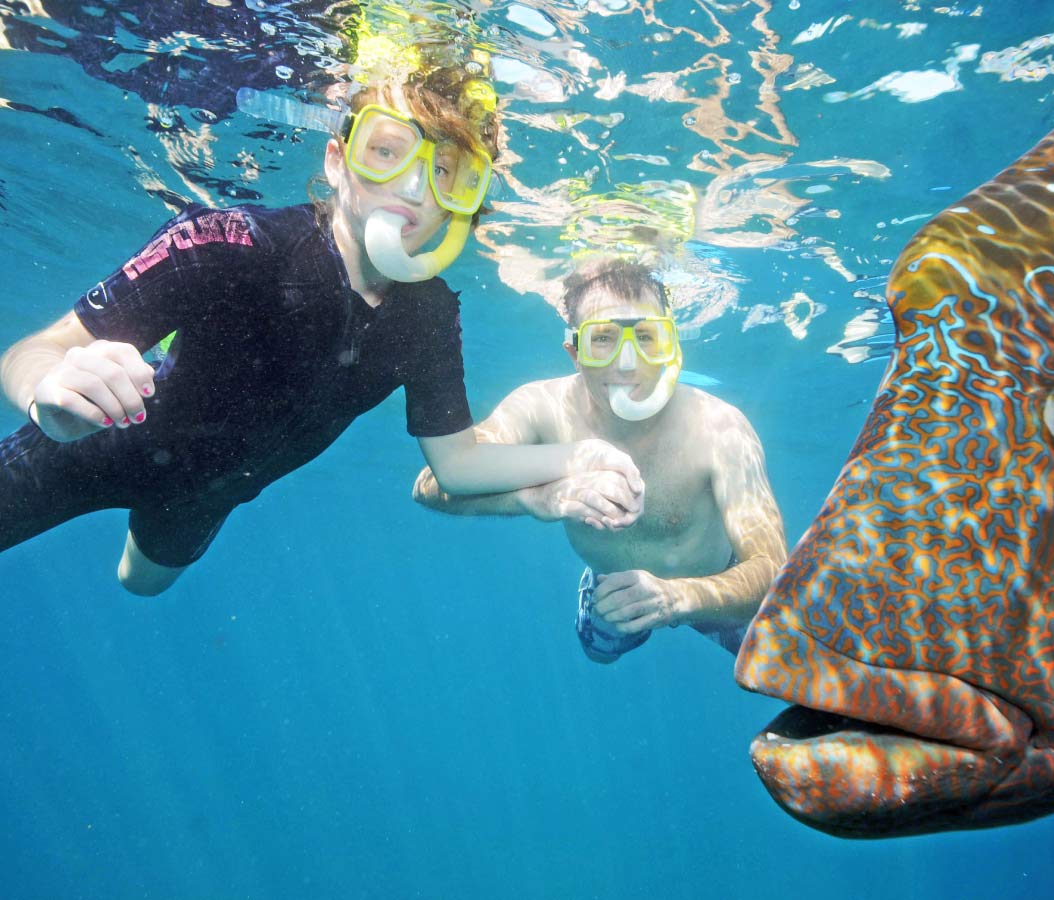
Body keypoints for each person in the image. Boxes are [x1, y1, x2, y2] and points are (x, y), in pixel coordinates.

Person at [0, 56, 641, 596]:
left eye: (444, 170)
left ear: (464, 197)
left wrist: (575, 461)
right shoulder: (228, 243)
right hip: (89, 447)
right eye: (386, 152)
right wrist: (49, 391)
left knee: (140, 584)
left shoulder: (428, 315)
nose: (414, 188)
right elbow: (38, 350)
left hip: (206, 496)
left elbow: (458, 462)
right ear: (337, 161)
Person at [413, 257, 786, 662]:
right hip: (613, 591)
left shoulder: (720, 429)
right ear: (575, 353)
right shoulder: (540, 408)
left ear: (670, 346)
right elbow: (430, 484)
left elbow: (772, 568)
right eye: (603, 338)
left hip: (719, 588)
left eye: (646, 336)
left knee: (782, 670)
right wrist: (537, 496)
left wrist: (678, 597)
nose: (627, 363)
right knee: (599, 654)